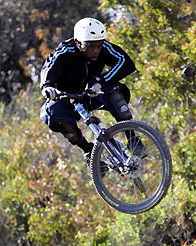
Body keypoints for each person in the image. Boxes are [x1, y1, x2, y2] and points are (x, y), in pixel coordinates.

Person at [40, 17, 141, 167]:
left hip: (89, 95)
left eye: (99, 46)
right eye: (91, 46)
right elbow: (48, 71)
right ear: (78, 42)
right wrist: (47, 87)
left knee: (114, 91)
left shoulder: (103, 47)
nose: (96, 51)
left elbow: (126, 63)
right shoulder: (64, 52)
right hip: (65, 99)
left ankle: (132, 139)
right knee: (54, 114)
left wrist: (100, 80)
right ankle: (89, 151)